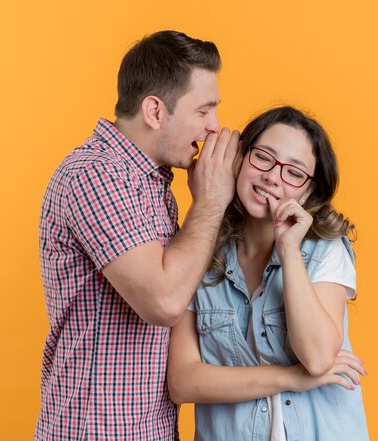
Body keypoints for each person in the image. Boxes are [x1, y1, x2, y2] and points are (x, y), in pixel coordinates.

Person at [35, 30, 240, 441]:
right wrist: (212, 201)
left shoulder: (151, 184)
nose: (213, 126)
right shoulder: (95, 175)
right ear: (154, 111)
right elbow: (164, 302)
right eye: (203, 111)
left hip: (148, 428)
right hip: (96, 431)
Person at [167, 106, 369, 440]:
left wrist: (289, 250)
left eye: (294, 173)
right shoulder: (199, 252)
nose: (273, 177)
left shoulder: (323, 249)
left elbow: (318, 358)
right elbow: (183, 381)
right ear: (241, 160)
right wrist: (290, 377)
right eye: (263, 157)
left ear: (307, 192)